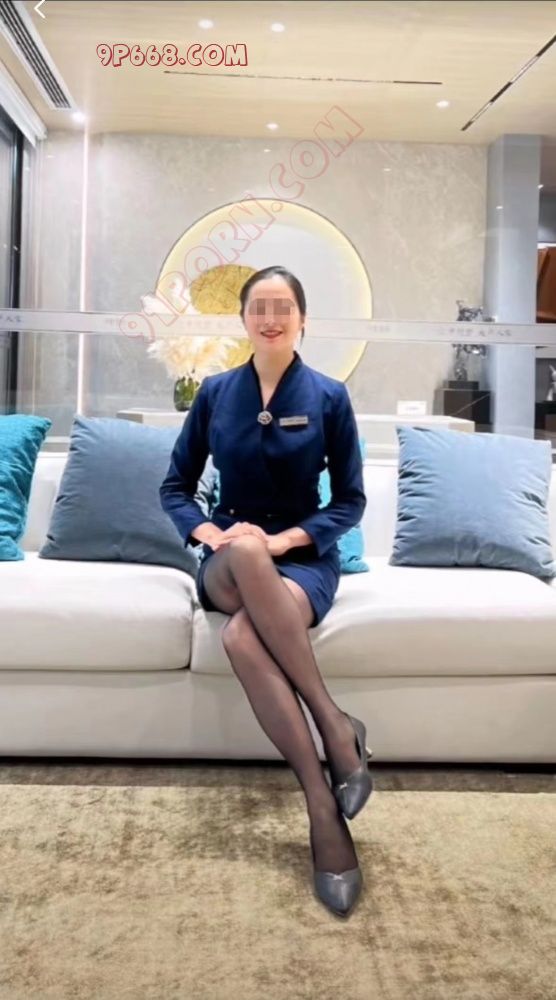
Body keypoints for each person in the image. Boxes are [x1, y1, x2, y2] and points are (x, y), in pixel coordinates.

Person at [159, 265, 373, 917]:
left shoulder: (330, 396)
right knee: (246, 550)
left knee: (242, 639)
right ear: (243, 319)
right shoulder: (215, 393)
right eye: (260, 307)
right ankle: (335, 724)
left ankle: (320, 807)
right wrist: (210, 533)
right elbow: (176, 486)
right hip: (228, 563)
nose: (271, 318)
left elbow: (352, 500)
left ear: (303, 319)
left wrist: (285, 542)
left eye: (284, 307)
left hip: (302, 562)